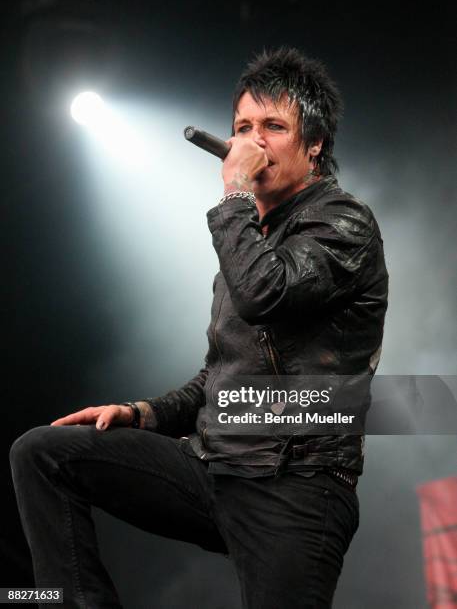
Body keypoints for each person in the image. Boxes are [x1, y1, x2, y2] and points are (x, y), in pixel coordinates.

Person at [10, 46, 388, 608]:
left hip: (294, 487)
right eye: (242, 127)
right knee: (42, 452)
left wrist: (235, 192)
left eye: (272, 127)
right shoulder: (253, 241)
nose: (250, 141)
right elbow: (221, 377)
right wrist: (143, 414)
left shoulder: (344, 223)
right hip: (213, 468)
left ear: (315, 145)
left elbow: (266, 295)